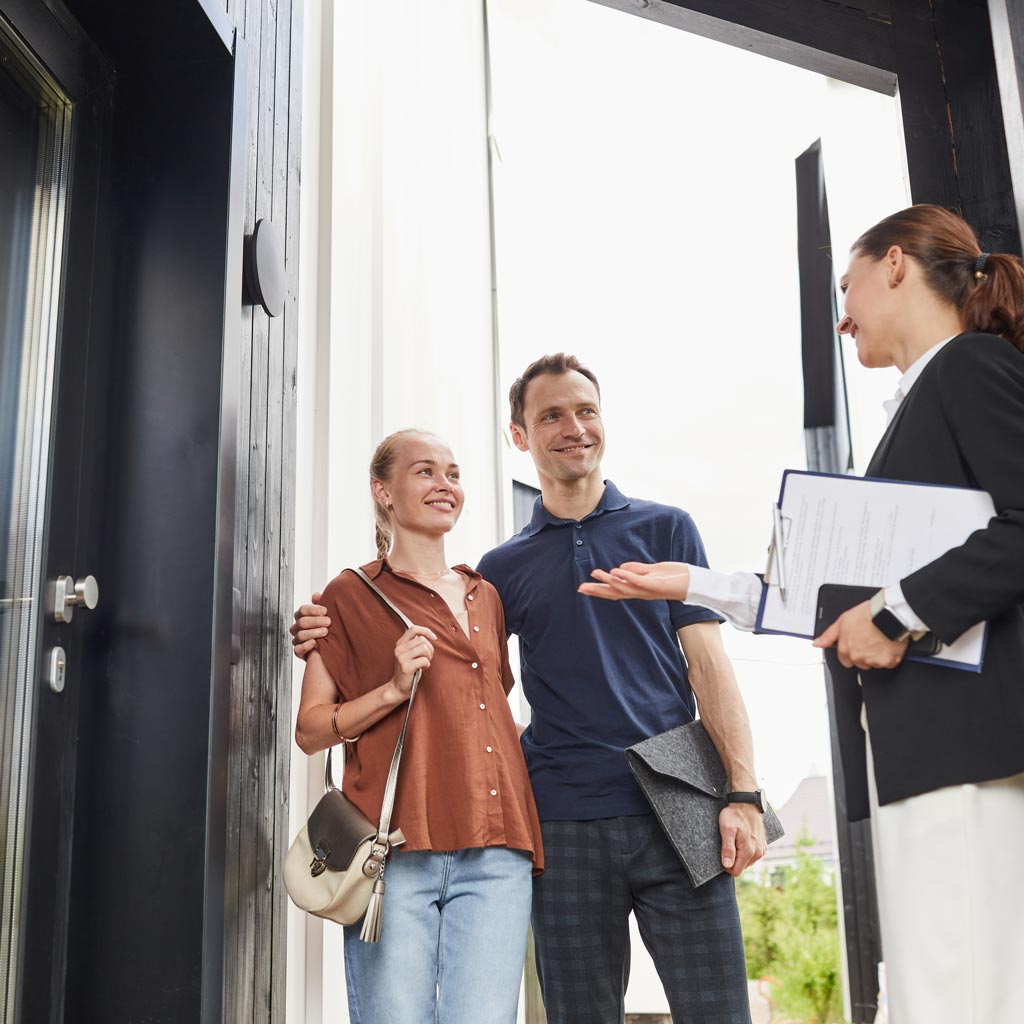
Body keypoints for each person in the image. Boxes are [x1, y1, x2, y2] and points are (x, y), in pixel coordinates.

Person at [579, 205, 1024, 1024]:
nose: (842, 312)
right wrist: (692, 585)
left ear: (897, 265)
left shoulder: (969, 367)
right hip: (924, 751)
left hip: (964, 745)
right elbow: (827, 597)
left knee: (959, 992)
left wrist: (895, 616)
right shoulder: (924, 398)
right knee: (938, 987)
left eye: (846, 284)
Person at [294, 357, 766, 1024]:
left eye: (587, 411)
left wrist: (742, 793)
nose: (574, 427)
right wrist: (323, 625)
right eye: (552, 415)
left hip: (679, 806)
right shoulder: (501, 570)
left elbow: (710, 668)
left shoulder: (667, 529)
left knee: (720, 1013)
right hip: (561, 819)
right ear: (520, 436)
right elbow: (463, 684)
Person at [294, 428, 543, 1024]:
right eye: (425, 471)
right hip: (395, 851)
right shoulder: (348, 595)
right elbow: (310, 730)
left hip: (497, 847)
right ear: (383, 491)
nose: (445, 484)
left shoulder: (487, 596)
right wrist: (392, 688)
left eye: (453, 474)